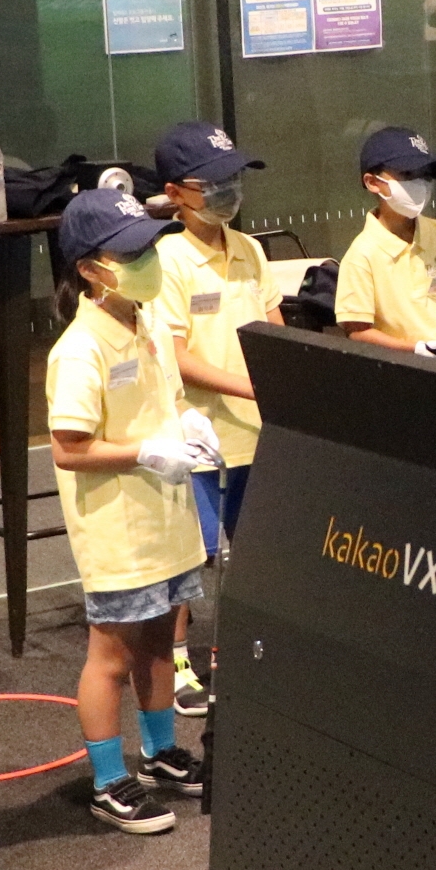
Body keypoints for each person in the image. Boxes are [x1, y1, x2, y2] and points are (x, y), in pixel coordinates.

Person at [45, 188, 218, 835]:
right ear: (91, 269)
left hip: (166, 517)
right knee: (111, 657)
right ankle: (108, 780)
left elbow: (167, 399)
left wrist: (187, 423)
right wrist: (145, 451)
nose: (149, 259)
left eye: (149, 246)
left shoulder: (148, 323)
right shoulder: (79, 349)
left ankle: (160, 751)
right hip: (119, 529)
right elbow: (68, 448)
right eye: (132, 252)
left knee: (158, 642)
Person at [149, 119, 279, 717]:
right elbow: (177, 356)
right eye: (215, 182)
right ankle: (177, 662)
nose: (229, 191)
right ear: (176, 193)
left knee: (252, 555)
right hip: (197, 438)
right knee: (189, 559)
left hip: (255, 434)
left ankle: (240, 654)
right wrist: (251, 386)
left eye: (235, 178)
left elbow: (273, 328)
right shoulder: (167, 259)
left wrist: (280, 383)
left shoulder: (250, 249)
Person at [335, 126, 436, 359]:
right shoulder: (361, 255)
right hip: (394, 372)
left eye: (426, 176)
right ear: (372, 182)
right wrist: (418, 350)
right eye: (408, 174)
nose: (420, 184)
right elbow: (357, 331)